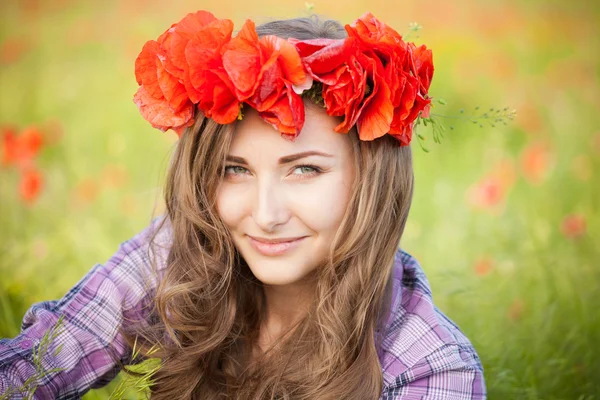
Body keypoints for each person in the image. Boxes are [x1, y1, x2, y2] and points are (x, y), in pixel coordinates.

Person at [0, 10, 486, 399]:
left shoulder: (430, 367)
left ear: (374, 180)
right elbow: (35, 365)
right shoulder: (181, 254)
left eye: (305, 169)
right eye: (235, 170)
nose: (266, 215)